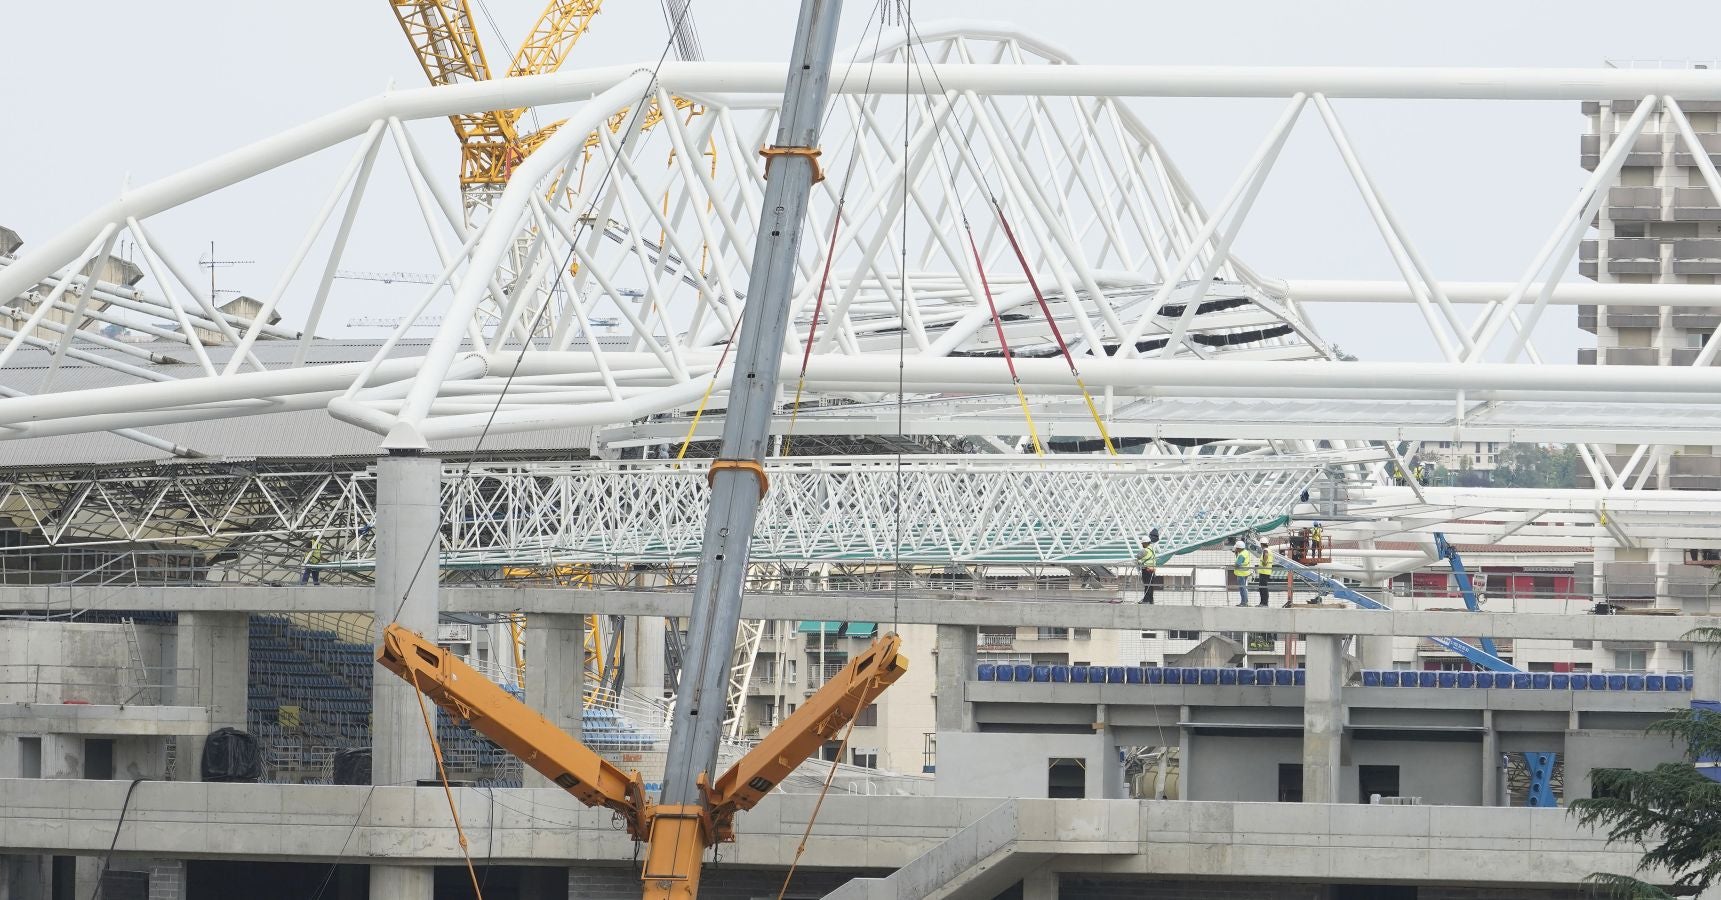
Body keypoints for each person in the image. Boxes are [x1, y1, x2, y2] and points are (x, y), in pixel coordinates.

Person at [1232, 540, 1254, 607]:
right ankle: (1245, 602)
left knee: (1242, 588)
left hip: (1241, 573)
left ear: (1239, 548)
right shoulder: (1246, 552)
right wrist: (1236, 554)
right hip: (1245, 572)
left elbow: (1238, 564)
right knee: (1243, 588)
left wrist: (1233, 565)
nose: (1236, 549)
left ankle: (1243, 602)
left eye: (1236, 548)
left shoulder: (1241, 555)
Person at [1138, 539, 1159, 604]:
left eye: (1143, 543)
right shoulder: (1153, 550)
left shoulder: (1145, 550)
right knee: (1150, 585)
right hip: (1152, 570)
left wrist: (1140, 561)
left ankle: (1146, 600)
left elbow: (1138, 556)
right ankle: (1150, 600)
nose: (1142, 545)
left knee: (1147, 585)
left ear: (1146, 543)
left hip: (1146, 570)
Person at [1256, 542, 1274, 607]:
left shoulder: (1265, 550)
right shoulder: (1270, 550)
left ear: (1262, 544)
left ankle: (1264, 603)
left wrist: (1264, 562)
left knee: (1263, 588)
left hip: (1264, 571)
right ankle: (1263, 603)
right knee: (1263, 587)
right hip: (1266, 571)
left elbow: (1265, 555)